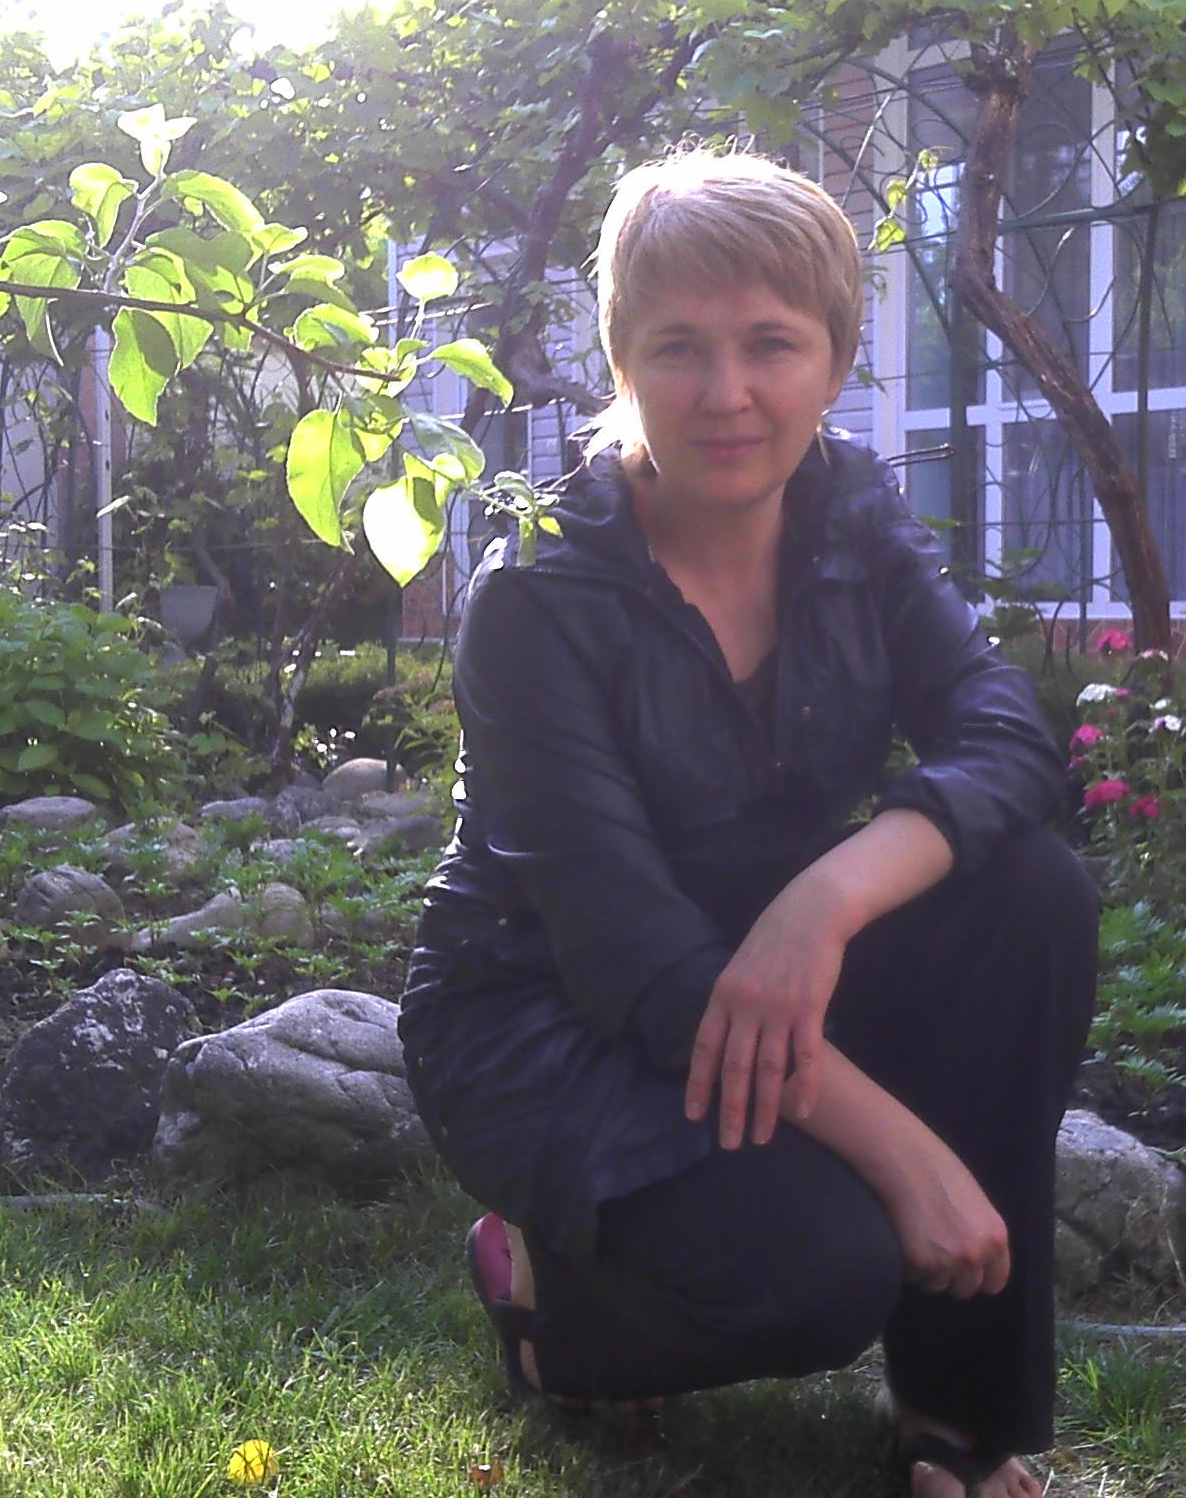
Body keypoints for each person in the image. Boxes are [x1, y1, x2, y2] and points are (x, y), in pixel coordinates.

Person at [396, 149, 1099, 1498]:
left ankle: (957, 1409)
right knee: (823, 1272)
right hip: (551, 1014)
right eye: (680, 347)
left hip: (760, 965)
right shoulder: (536, 594)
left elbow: (1008, 734)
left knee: (1033, 895)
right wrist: (907, 1158)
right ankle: (549, 1304)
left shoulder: (853, 518)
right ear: (621, 362)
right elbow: (632, 959)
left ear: (834, 361)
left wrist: (827, 900)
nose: (728, 393)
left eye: (772, 343)